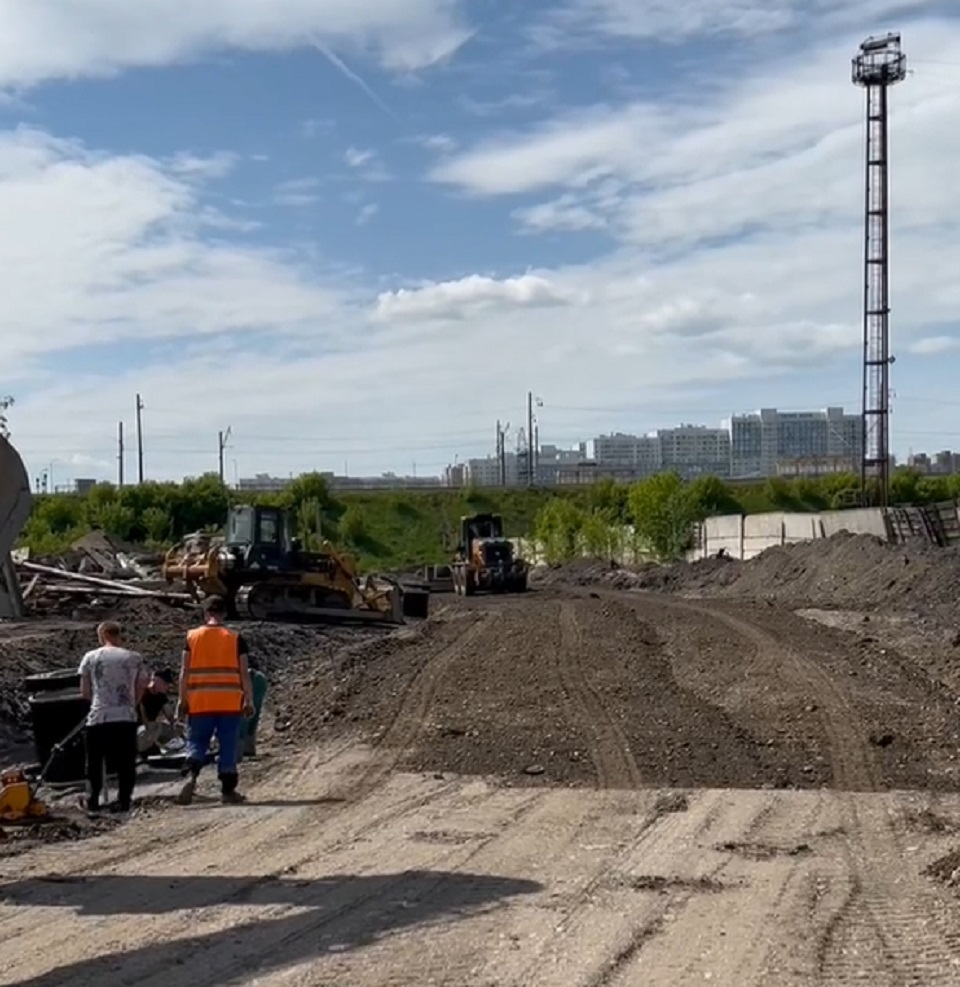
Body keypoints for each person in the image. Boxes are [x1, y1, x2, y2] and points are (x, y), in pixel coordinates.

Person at [176, 595, 255, 805]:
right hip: (229, 703)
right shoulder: (235, 638)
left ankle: (191, 775)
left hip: (199, 702)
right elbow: (244, 673)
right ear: (224, 614)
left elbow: (184, 672)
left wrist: (182, 700)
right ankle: (228, 792)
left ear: (205, 613)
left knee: (196, 742)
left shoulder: (192, 637)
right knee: (228, 745)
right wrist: (249, 700)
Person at [78, 620, 148, 814]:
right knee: (126, 762)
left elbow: (84, 691)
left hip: (99, 716)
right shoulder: (134, 657)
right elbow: (143, 683)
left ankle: (93, 800)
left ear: (103, 635)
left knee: (94, 761)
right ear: (117, 635)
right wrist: (131, 702)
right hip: (125, 717)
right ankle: (123, 801)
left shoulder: (90, 657)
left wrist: (98, 702)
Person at [137, 668, 178, 759]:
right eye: (165, 684)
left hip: (151, 732)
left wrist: (176, 724)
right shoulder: (141, 692)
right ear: (157, 681)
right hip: (139, 730)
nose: (167, 687)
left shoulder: (161, 697)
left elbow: (170, 715)